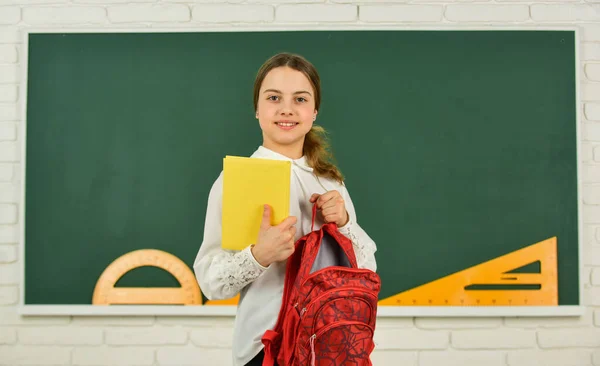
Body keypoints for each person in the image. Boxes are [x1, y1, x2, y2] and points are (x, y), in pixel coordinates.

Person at [193, 52, 377, 366]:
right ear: (257, 109)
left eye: (301, 99)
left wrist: (344, 223)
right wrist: (258, 255)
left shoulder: (330, 182)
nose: (287, 109)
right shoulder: (235, 179)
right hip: (265, 348)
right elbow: (211, 283)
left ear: (315, 111)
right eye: (274, 97)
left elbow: (366, 269)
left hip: (328, 346)